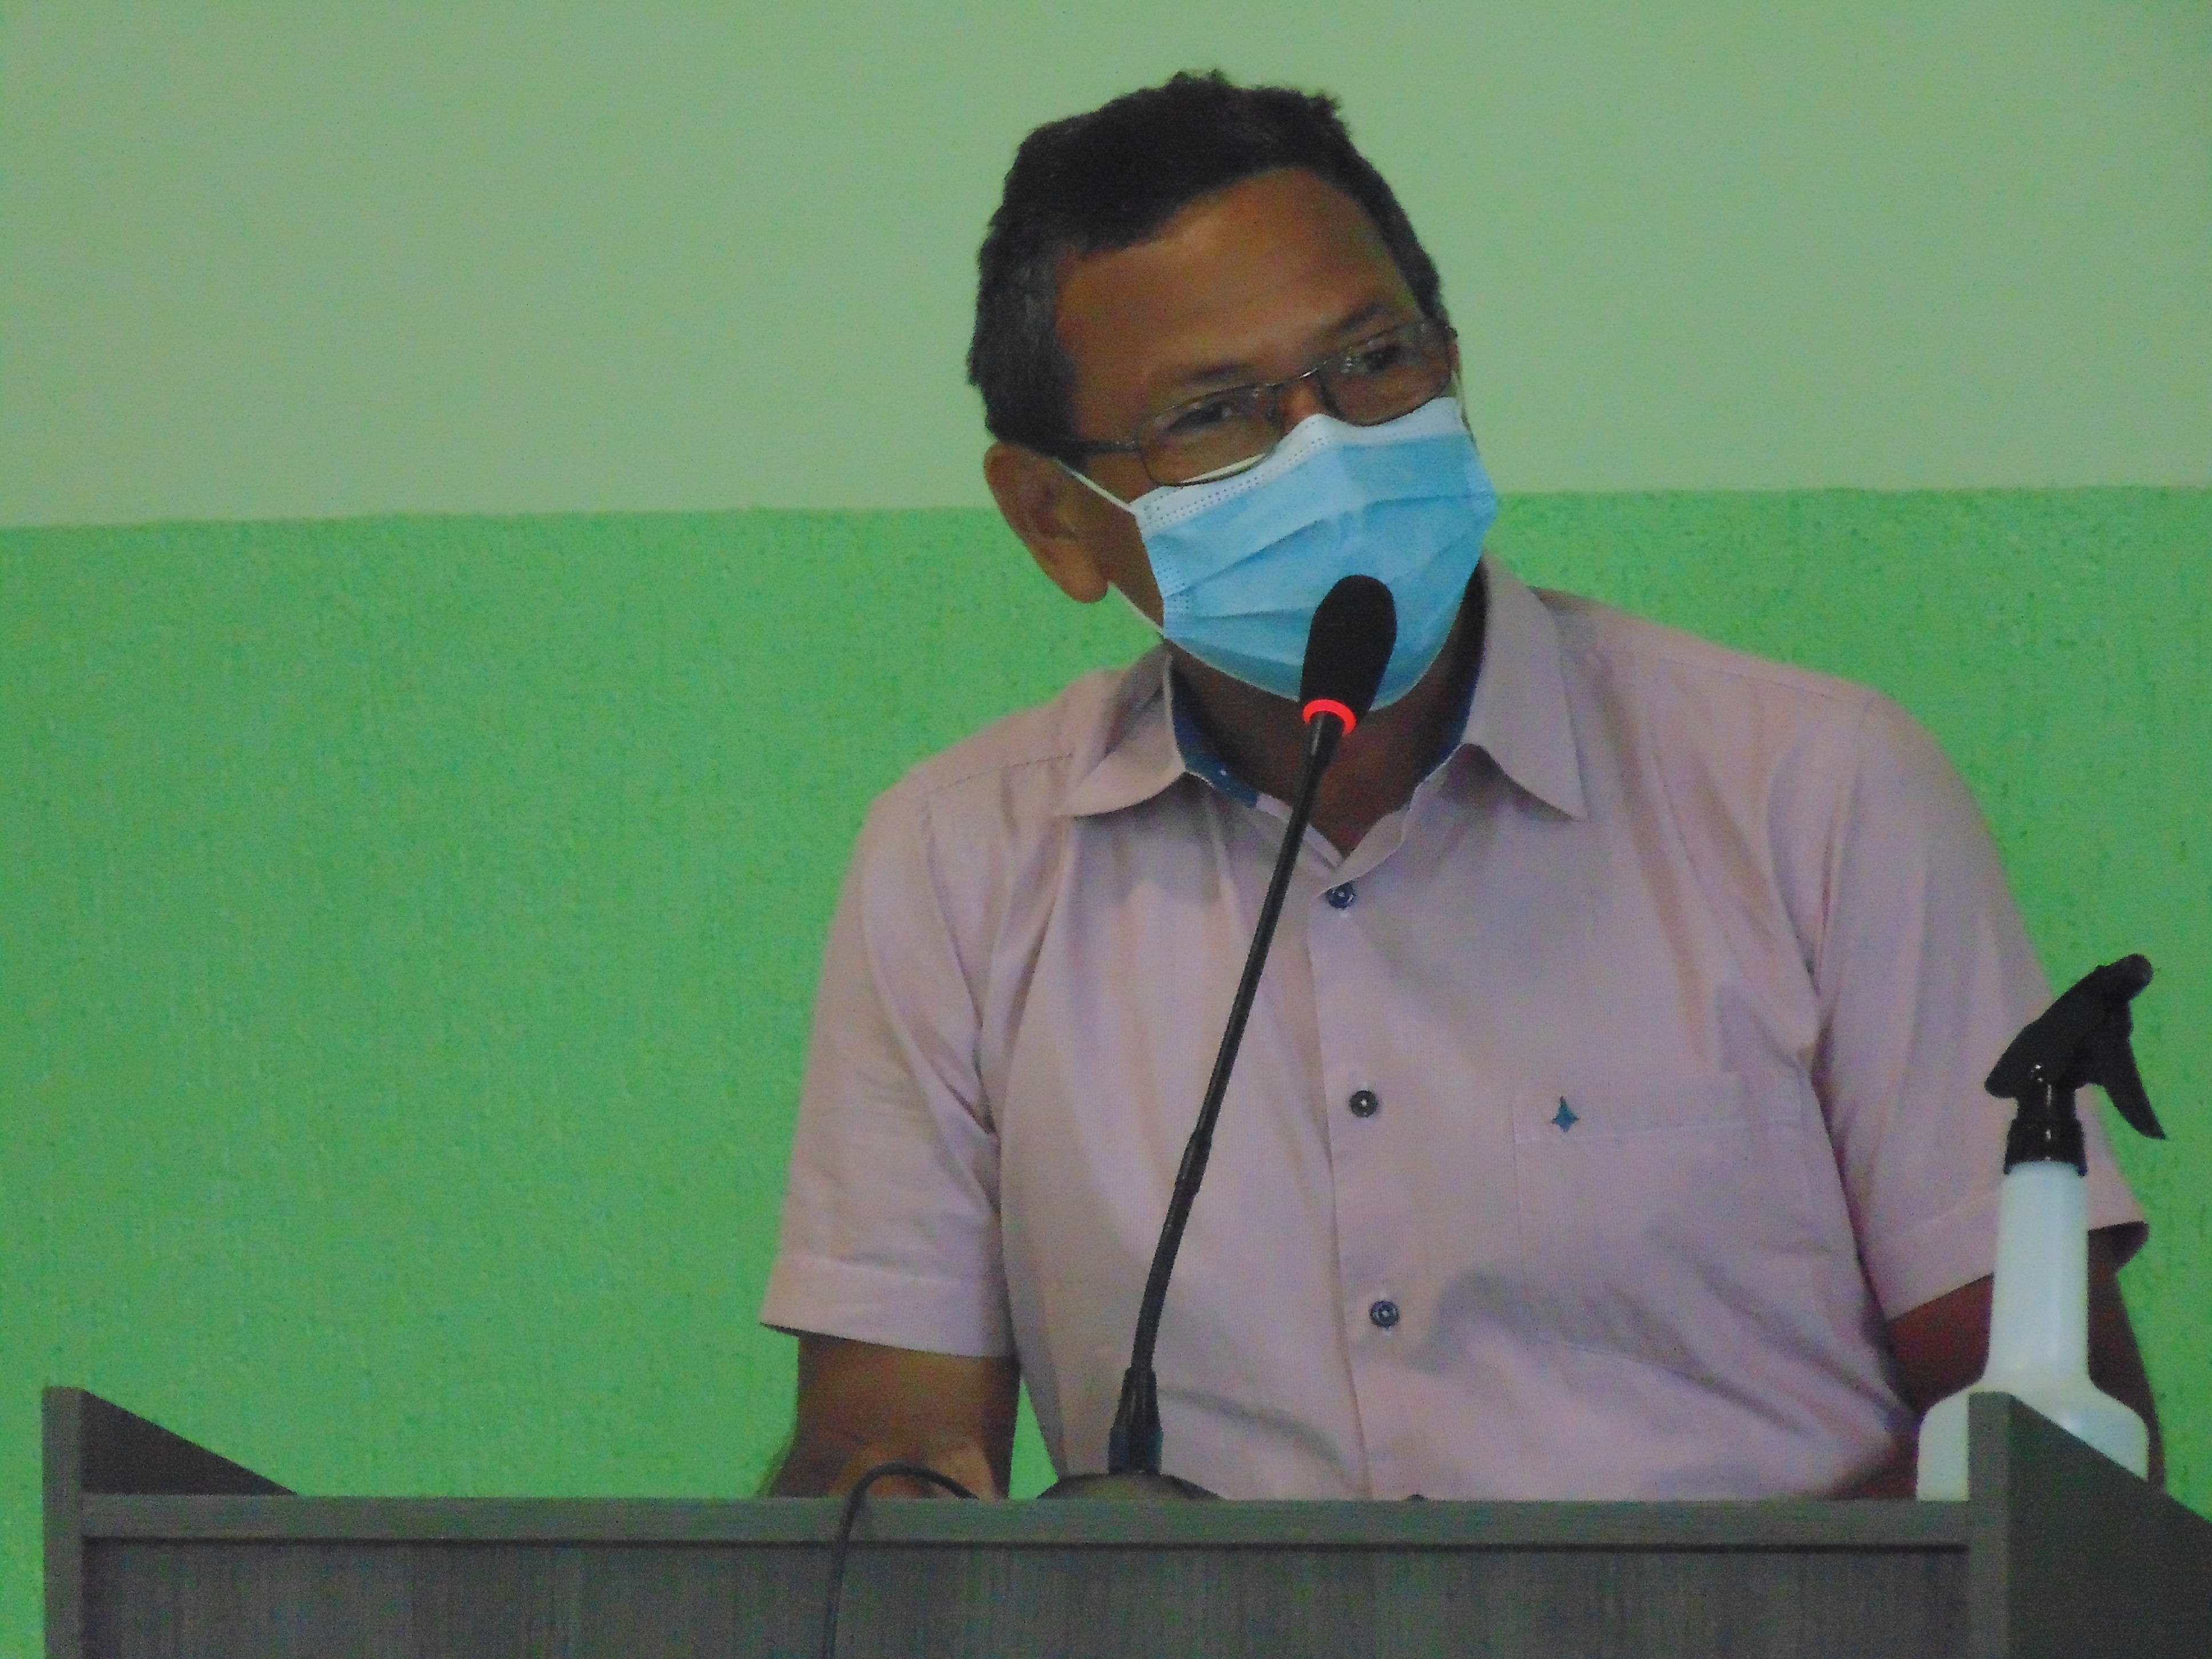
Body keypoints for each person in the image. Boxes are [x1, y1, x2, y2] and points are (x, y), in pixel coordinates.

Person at [759, 71, 2158, 1501]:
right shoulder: (959, 865)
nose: (1329, 447)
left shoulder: (1815, 793)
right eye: (1217, 414)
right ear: (1055, 518)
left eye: (1375, 361)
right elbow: (884, 1467)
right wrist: (887, 1508)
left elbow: (2048, 1455)